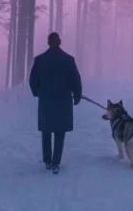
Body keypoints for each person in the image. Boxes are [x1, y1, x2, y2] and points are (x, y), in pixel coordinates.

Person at [28, 32, 82, 174]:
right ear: (60, 42)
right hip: (63, 100)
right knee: (60, 132)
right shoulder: (69, 60)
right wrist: (77, 96)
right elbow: (75, 80)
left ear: (48, 42)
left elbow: (33, 80)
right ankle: (56, 162)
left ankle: (47, 161)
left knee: (46, 130)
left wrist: (37, 92)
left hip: (46, 100)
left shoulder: (40, 60)